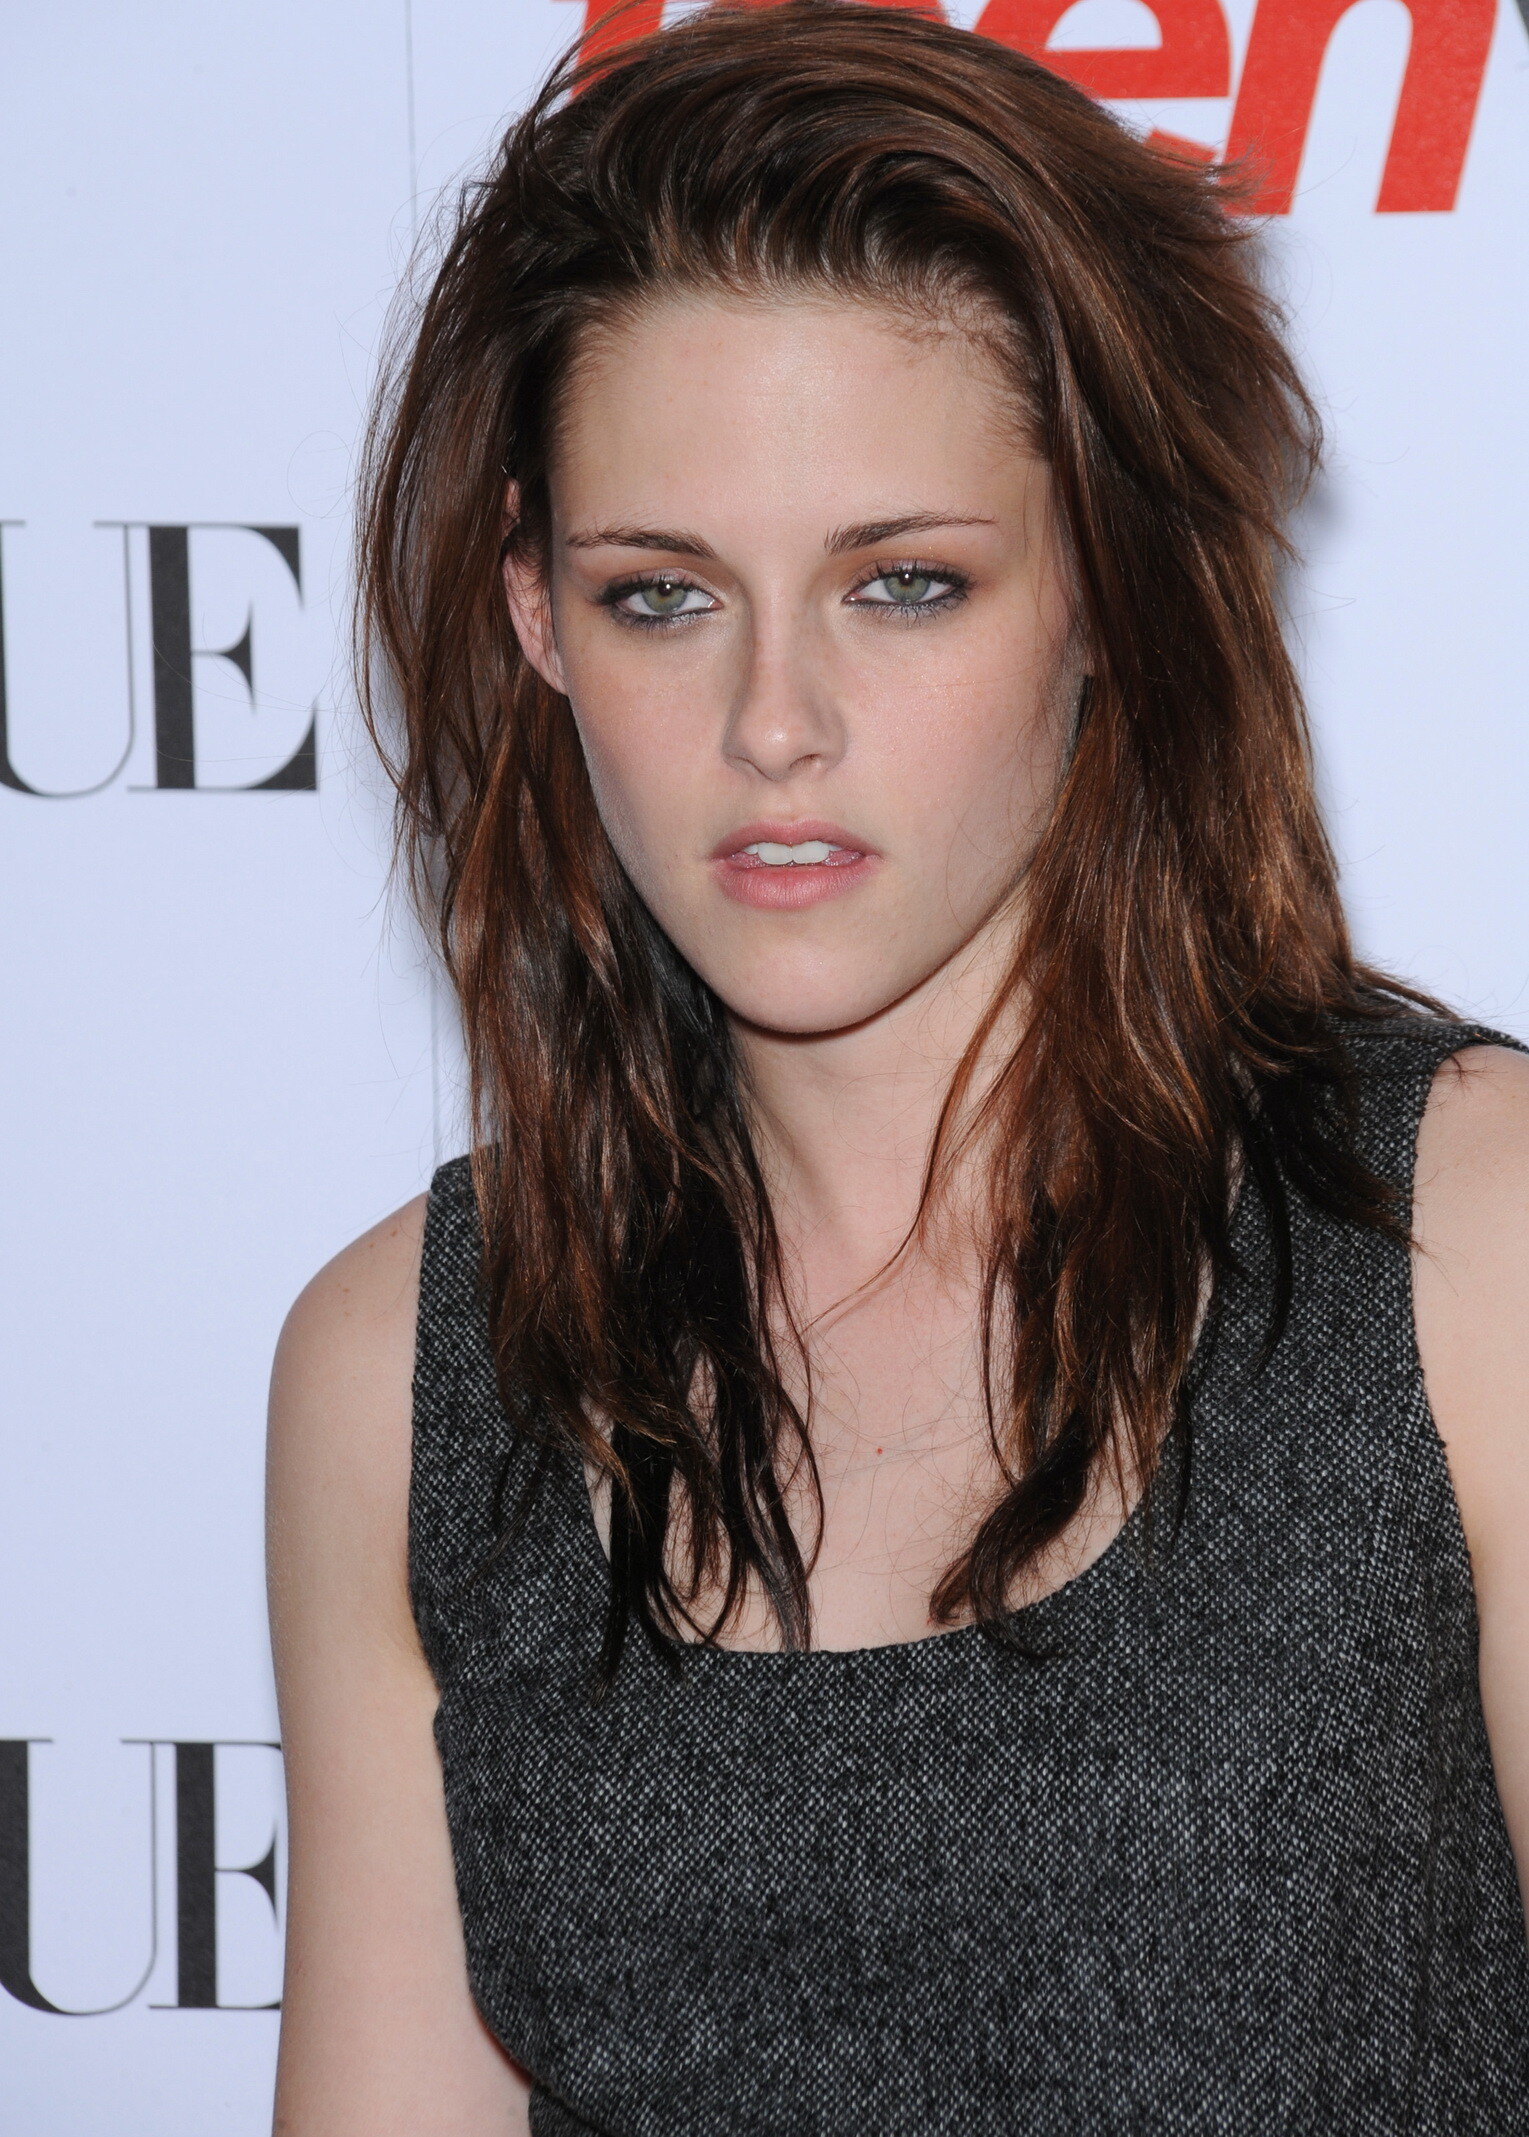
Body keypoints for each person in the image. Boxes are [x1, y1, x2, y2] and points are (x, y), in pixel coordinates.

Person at [265, 5, 1529, 2130]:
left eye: (905, 584)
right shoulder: (409, 1370)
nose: (776, 721)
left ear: (1109, 590)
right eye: (663, 596)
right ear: (536, 615)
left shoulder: (1465, 1250)